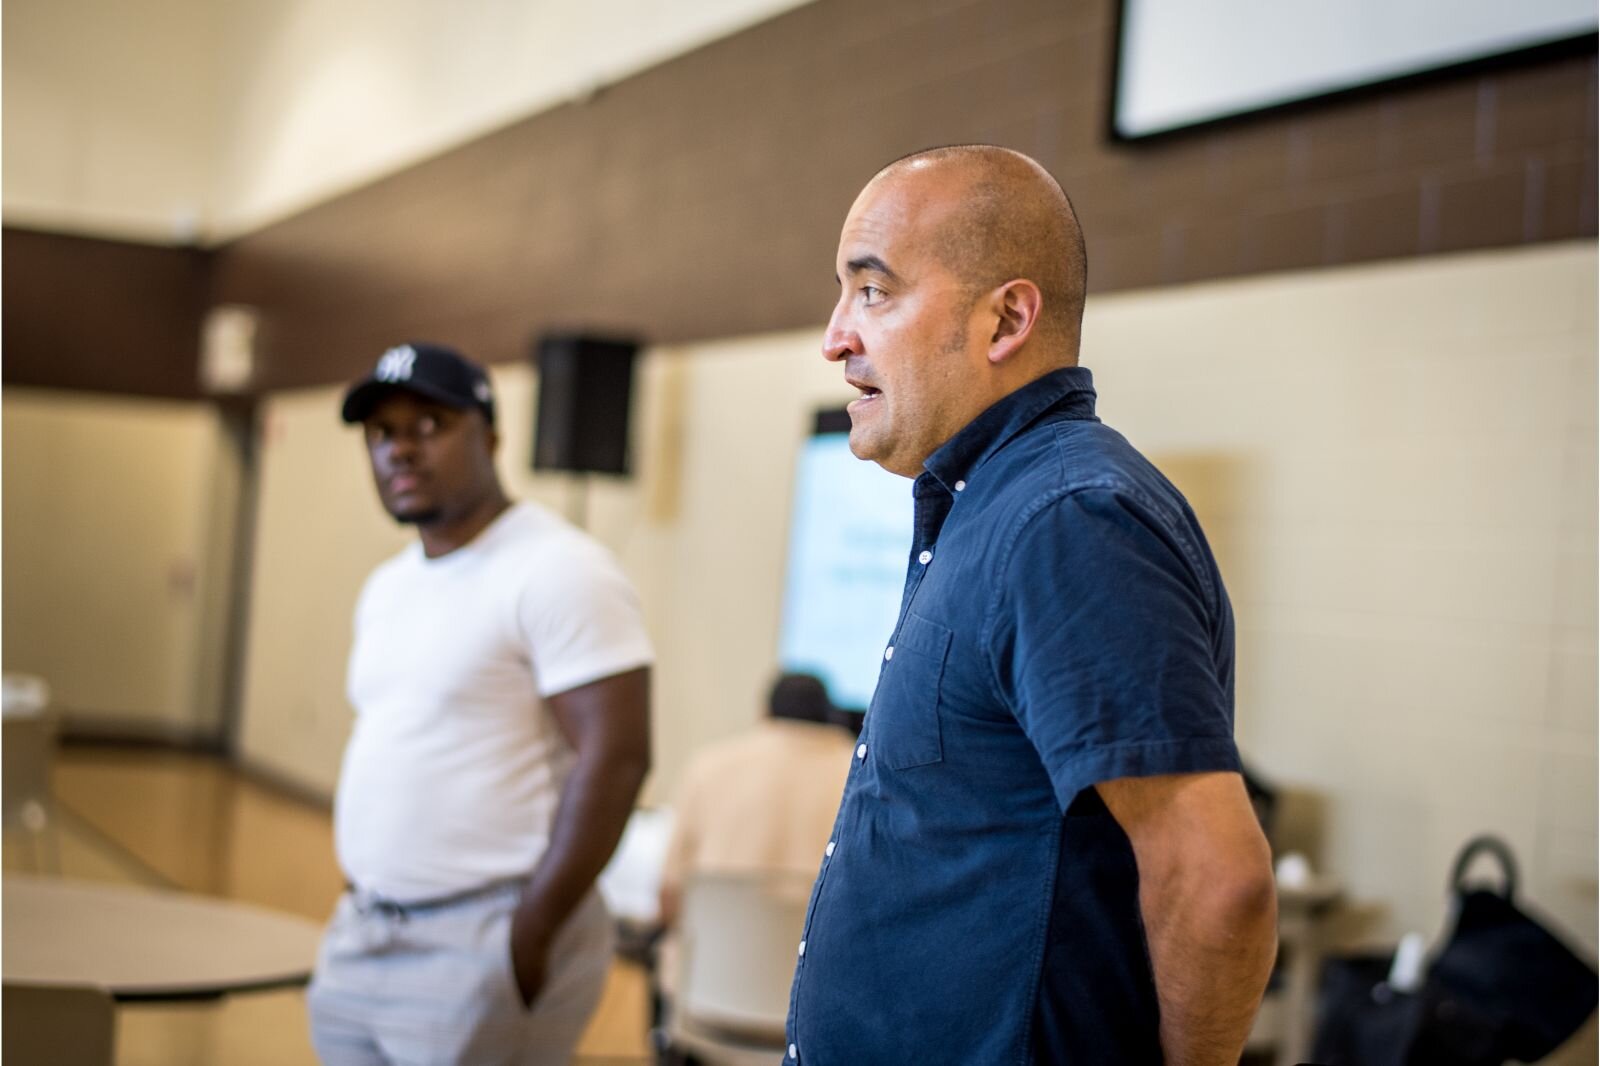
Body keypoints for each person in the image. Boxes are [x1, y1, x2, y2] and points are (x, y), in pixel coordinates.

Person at [784, 146, 1277, 1065]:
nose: (836, 336)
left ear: (1006, 318)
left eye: (875, 292)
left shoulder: (1068, 521)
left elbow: (1220, 883)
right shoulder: (990, 506)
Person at [308, 342, 653, 1065]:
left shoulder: (558, 569)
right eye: (382, 432)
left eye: (429, 424)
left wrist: (529, 934)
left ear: (491, 437)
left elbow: (616, 758)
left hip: (482, 941)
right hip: (363, 932)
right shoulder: (389, 585)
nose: (401, 449)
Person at [657, 671, 857, 949]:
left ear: (764, 713)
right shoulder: (859, 779)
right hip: (820, 980)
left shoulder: (709, 766)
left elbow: (669, 895)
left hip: (708, 977)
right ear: (830, 716)